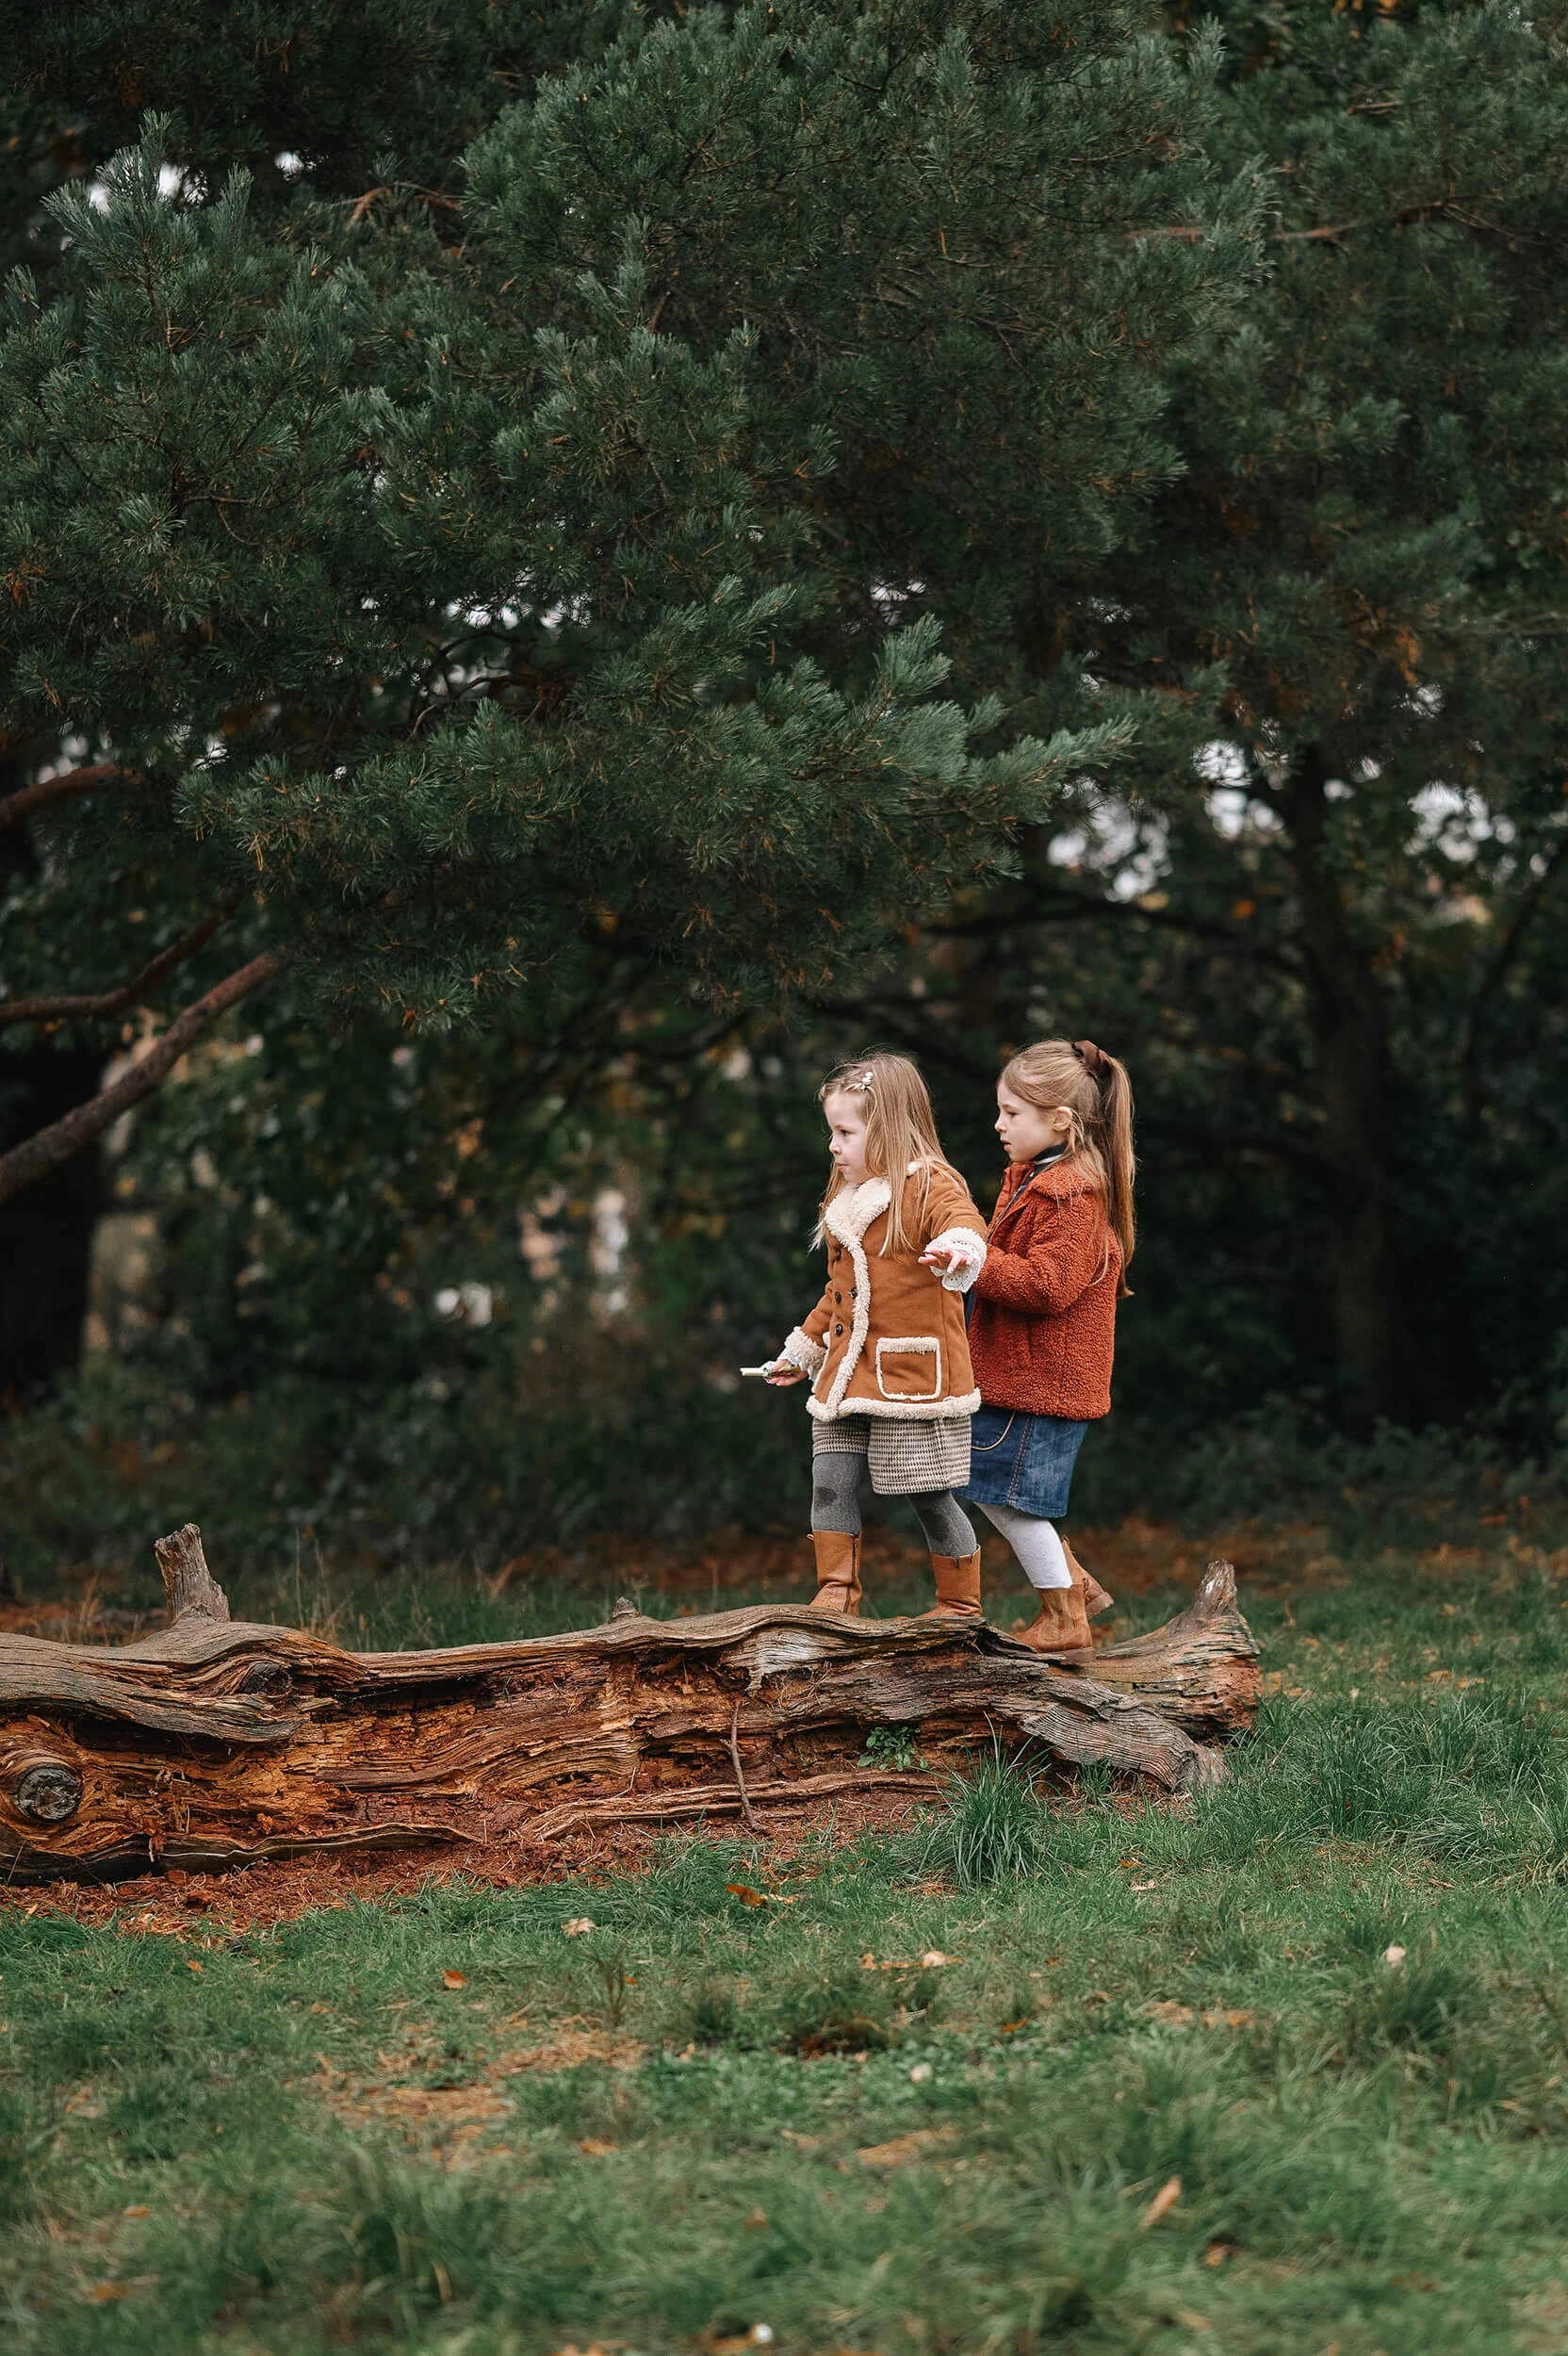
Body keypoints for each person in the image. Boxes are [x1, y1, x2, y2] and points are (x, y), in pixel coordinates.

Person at [765, 1054, 990, 1617]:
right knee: (829, 1479)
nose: (833, 1147)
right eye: (831, 1132)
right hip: (845, 1375)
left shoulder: (930, 1185)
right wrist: (805, 1351)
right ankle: (836, 1592)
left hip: (910, 1377)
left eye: (845, 1132)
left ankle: (960, 1604)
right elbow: (838, 1296)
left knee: (928, 1493)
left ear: (887, 1128)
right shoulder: (847, 1202)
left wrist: (959, 1249)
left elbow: (965, 1222)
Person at [957, 1038, 1135, 1655]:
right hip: (1020, 1378)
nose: (998, 1124)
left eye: (1011, 1113)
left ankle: (1064, 1617)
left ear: (1059, 1120)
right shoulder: (1035, 1179)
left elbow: (1049, 1286)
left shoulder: (1072, 1194)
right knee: (989, 1488)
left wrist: (978, 1260)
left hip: (1041, 1387)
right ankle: (1071, 1587)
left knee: (1008, 1497)